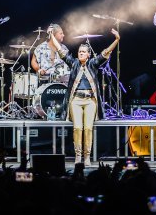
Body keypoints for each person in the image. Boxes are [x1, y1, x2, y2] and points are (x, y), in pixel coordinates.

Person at [51, 28, 120, 166]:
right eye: (79, 52)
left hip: (90, 101)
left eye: (83, 52)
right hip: (75, 100)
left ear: (88, 54)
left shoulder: (93, 64)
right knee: (77, 128)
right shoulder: (74, 63)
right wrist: (51, 35)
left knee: (88, 128)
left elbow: (106, 52)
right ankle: (78, 156)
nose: (81, 53)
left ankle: (87, 157)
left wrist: (117, 40)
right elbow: (60, 49)